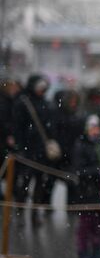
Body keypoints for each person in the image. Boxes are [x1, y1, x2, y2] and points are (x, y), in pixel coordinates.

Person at [12, 74, 56, 226]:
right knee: (24, 183)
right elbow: (17, 127)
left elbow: (50, 126)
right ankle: (19, 212)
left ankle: (35, 214)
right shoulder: (23, 102)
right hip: (27, 151)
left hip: (41, 151)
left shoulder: (45, 103)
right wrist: (20, 147)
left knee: (40, 184)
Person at [72, 114, 100, 258]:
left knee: (98, 225)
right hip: (86, 193)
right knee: (85, 226)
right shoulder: (81, 145)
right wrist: (96, 171)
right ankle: (84, 255)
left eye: (97, 127)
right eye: (92, 127)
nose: (95, 131)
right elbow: (79, 171)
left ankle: (97, 253)